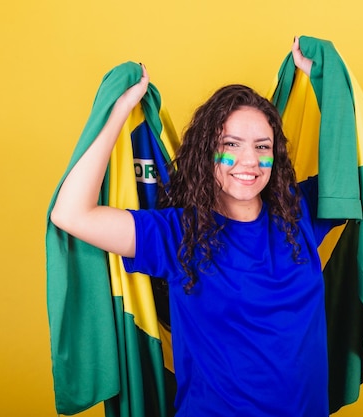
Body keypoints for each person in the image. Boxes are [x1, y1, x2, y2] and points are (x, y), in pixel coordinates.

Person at [50, 38, 344, 417]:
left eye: (262, 146)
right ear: (207, 153)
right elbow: (71, 214)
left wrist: (326, 79)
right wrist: (120, 110)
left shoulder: (300, 211)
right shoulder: (177, 234)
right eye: (231, 144)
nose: (248, 161)